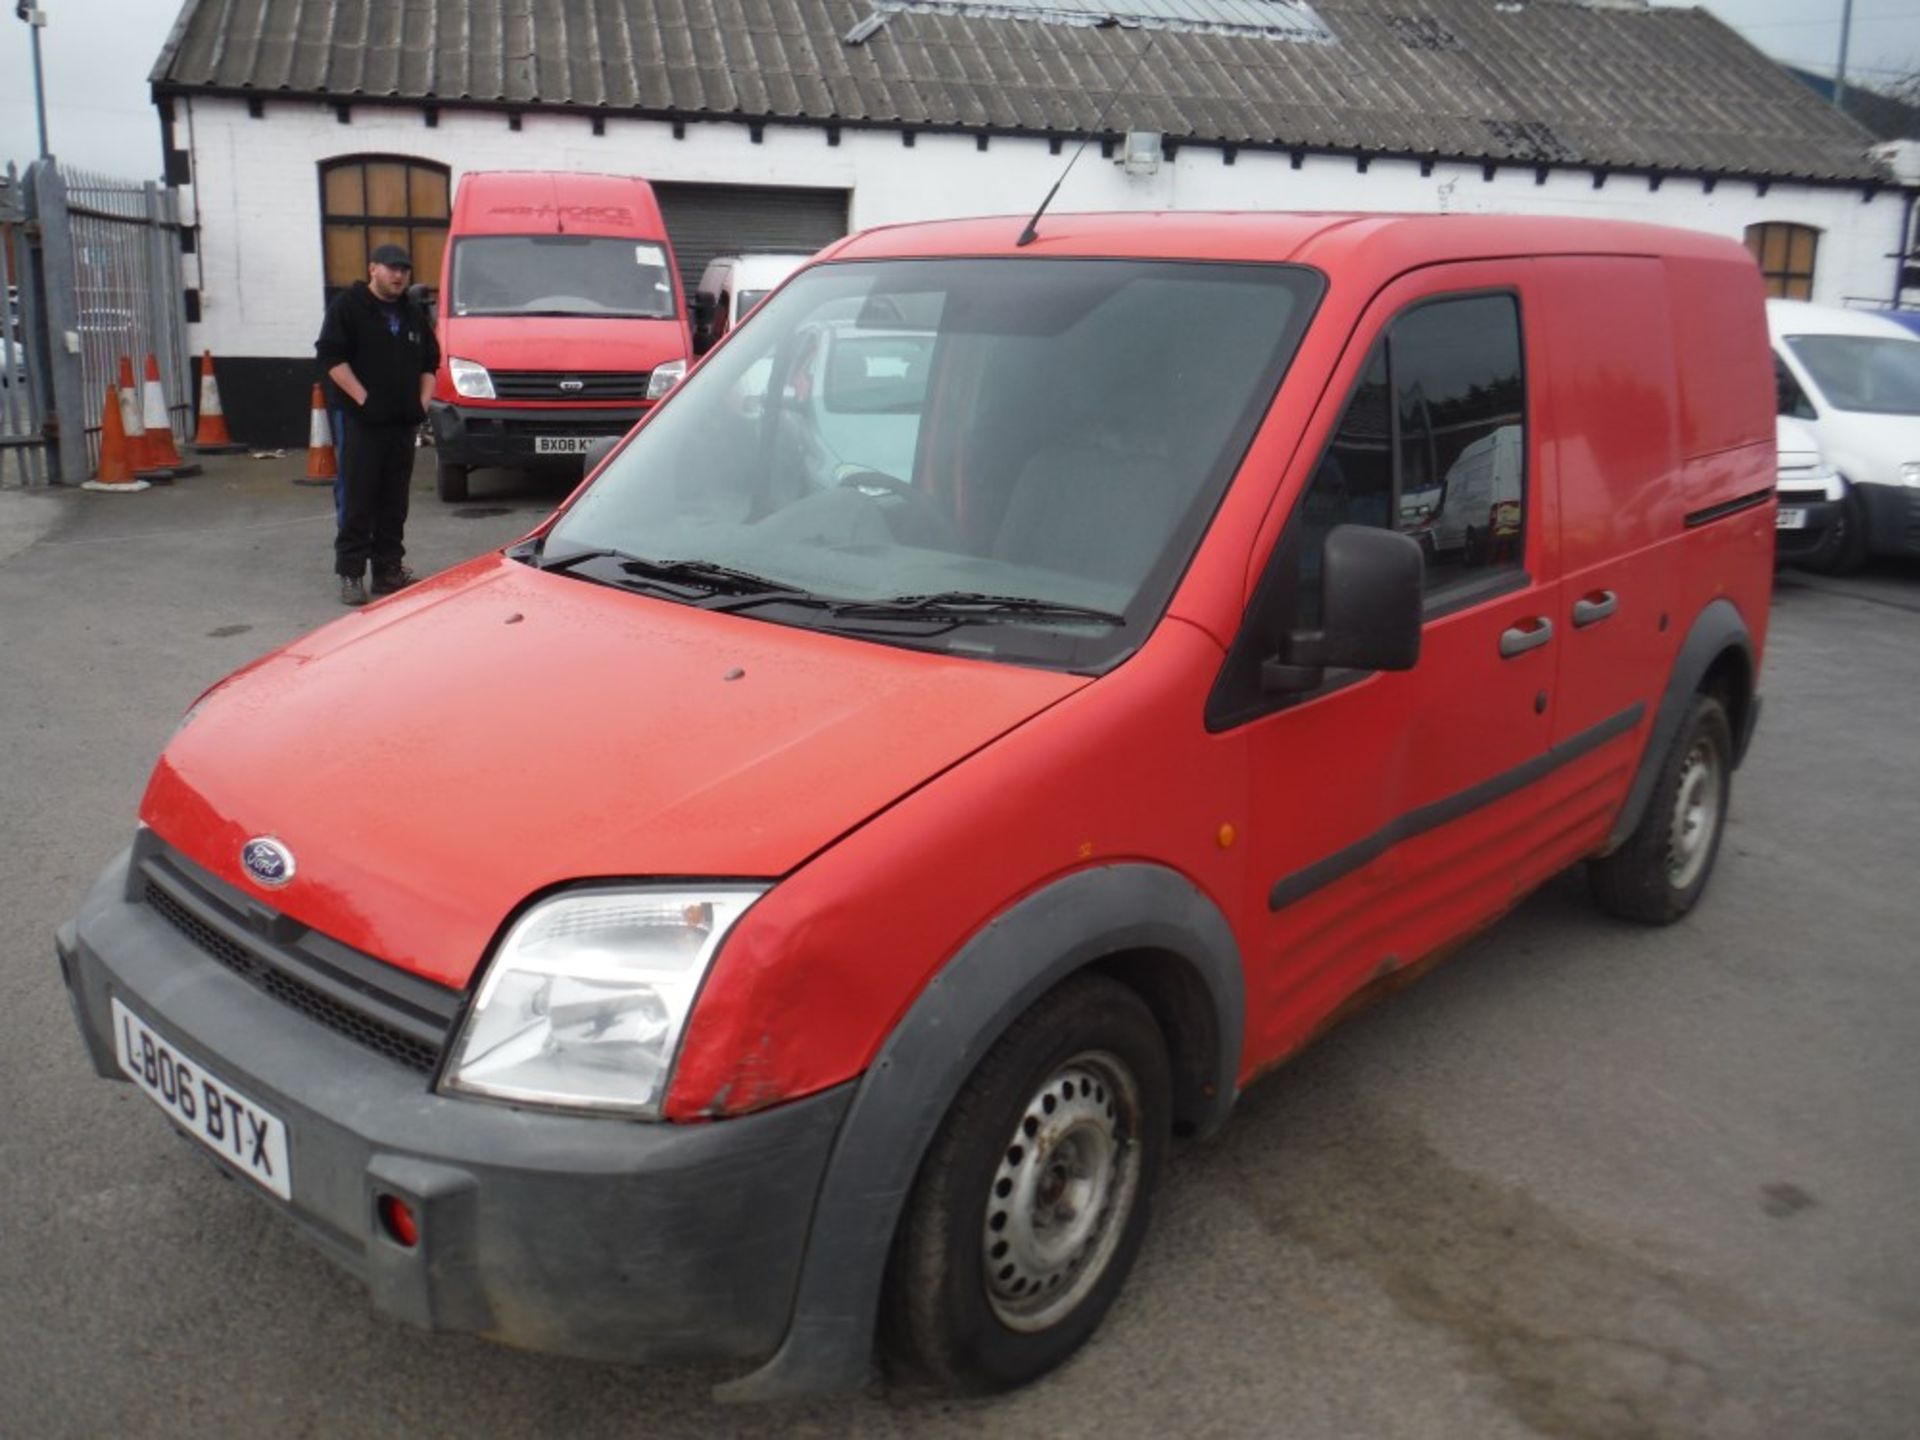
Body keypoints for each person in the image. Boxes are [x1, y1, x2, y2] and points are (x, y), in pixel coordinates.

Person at [315, 243, 440, 605]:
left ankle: (388, 571)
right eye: (390, 268)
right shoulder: (349, 307)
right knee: (358, 497)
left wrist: (423, 401)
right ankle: (351, 574)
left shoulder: (413, 314)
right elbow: (331, 357)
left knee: (394, 501)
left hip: (401, 425)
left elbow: (430, 362)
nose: (398, 275)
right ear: (373, 269)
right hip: (362, 423)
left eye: (404, 269)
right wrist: (363, 398)